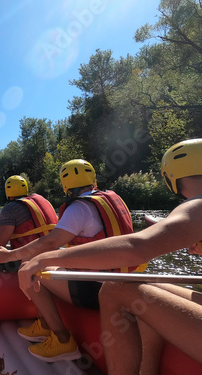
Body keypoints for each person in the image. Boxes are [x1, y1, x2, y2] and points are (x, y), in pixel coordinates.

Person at [15, 139, 202, 374]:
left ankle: (62, 338)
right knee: (144, 282)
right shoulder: (111, 198)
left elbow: (137, 246)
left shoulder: (197, 205)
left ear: (172, 178)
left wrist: (43, 259)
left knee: (116, 288)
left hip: (95, 283)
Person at [0, 160, 138, 362]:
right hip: (126, 281)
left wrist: (8, 256)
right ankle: (43, 325)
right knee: (37, 261)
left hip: (101, 290)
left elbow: (50, 242)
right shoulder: (114, 199)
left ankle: (62, 340)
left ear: (66, 185)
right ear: (92, 180)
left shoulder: (79, 209)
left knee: (29, 267)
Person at [0, 175, 58, 273]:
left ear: (8, 192)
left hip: (28, 259)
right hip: (52, 255)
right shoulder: (43, 201)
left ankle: (0, 280)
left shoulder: (10, 208)